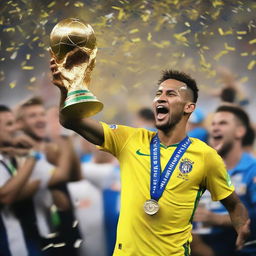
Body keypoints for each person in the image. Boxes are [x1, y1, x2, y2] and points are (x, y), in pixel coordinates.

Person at [50, 56, 250, 256]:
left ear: (189, 107)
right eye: (158, 93)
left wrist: (241, 226)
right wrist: (65, 88)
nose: (160, 98)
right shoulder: (129, 139)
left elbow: (234, 204)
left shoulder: (205, 156)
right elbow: (70, 120)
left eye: (171, 94)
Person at [16, 97, 82, 256]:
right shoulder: (20, 149)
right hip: (39, 237)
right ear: (20, 123)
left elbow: (75, 176)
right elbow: (61, 175)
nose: (40, 119)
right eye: (32, 116)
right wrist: (64, 140)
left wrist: (63, 140)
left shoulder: (49, 146)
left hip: (66, 230)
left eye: (41, 114)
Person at [192, 104, 256, 256]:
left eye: (223, 123)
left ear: (240, 131)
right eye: (213, 124)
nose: (215, 128)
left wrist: (217, 219)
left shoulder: (252, 170)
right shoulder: (200, 169)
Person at [0, 105, 42, 255]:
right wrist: (33, 156)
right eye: (9, 124)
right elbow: (5, 196)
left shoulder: (8, 155)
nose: (15, 129)